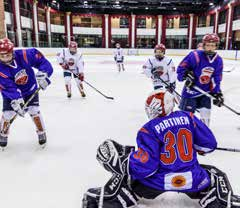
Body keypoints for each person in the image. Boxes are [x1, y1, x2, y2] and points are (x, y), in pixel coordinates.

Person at [82, 89, 240, 208]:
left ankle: (110, 198)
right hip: (193, 182)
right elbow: (208, 146)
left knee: (129, 176)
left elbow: (147, 167)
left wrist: (123, 163)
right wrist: (193, 145)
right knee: (215, 174)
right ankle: (221, 201)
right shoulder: (188, 117)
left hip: (155, 184)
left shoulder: (148, 129)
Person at [0, 38, 53, 149]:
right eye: (2, 56)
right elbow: (8, 87)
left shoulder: (24, 55)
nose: (5, 59)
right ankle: (3, 134)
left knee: (34, 111)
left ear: (12, 52)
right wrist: (16, 99)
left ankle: (41, 132)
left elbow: (42, 61)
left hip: (30, 89)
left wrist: (44, 73)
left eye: (7, 55)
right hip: (11, 95)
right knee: (8, 115)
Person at [177, 33, 224, 126]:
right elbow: (180, 69)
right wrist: (186, 75)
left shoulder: (218, 60)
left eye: (213, 45)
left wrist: (217, 92)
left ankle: (204, 135)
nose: (210, 48)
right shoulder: (195, 55)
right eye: (208, 45)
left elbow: (216, 78)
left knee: (206, 117)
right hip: (190, 92)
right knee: (186, 119)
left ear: (216, 46)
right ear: (204, 45)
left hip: (205, 92)